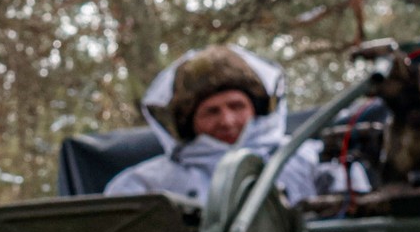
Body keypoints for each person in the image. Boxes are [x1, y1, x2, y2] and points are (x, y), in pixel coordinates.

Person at [105, 44, 320, 204]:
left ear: (257, 109)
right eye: (211, 111)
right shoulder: (143, 185)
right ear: (189, 124)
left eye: (236, 106)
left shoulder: (307, 161)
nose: (227, 121)